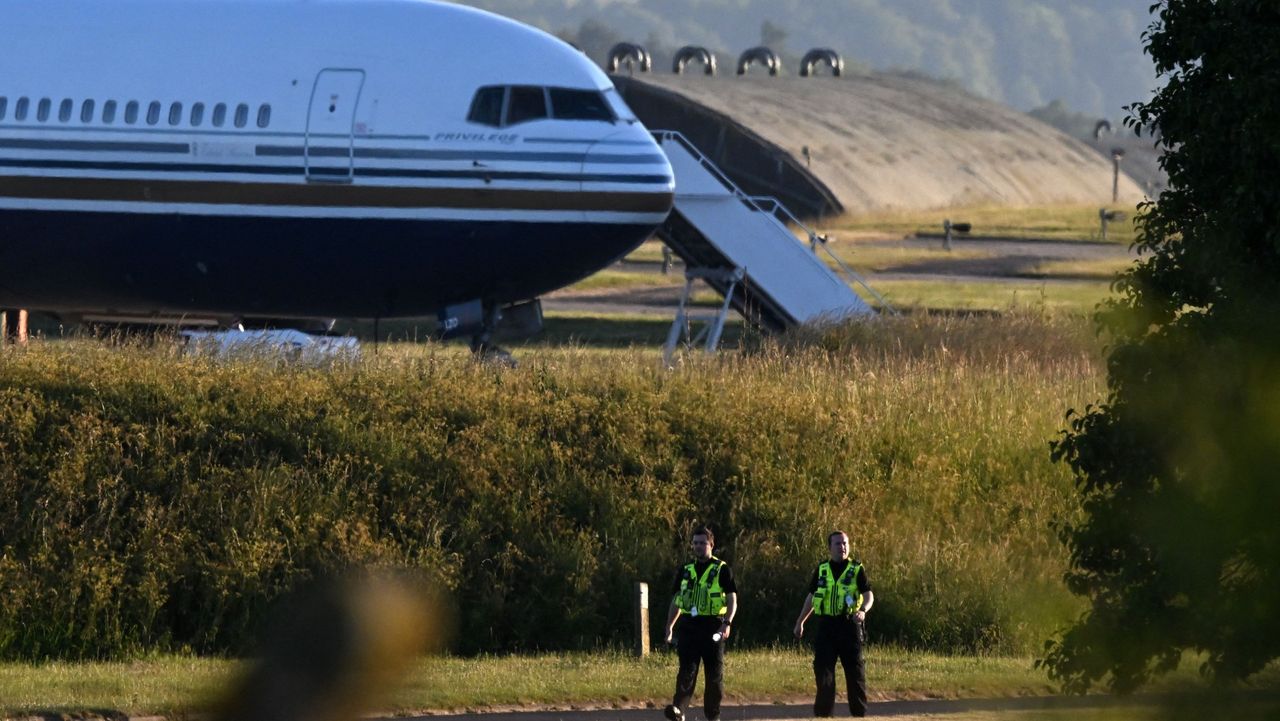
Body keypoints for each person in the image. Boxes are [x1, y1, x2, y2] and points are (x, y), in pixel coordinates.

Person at [793, 530, 875, 717]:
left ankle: (858, 713)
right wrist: (800, 622)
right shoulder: (822, 569)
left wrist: (863, 611)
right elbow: (812, 597)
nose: (842, 547)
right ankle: (823, 714)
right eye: (838, 544)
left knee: (855, 672)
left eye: (845, 543)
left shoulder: (856, 569)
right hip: (827, 626)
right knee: (823, 670)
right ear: (830, 548)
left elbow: (868, 594)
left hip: (849, 625)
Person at [662, 525, 738, 721]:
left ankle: (713, 715)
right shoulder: (685, 570)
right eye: (695, 543)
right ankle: (679, 710)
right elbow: (677, 600)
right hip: (689, 626)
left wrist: (727, 624)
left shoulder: (722, 569)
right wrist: (670, 626)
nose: (698, 546)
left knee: (714, 675)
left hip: (714, 626)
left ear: (711, 544)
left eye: (702, 543)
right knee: (686, 670)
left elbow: (732, 600)